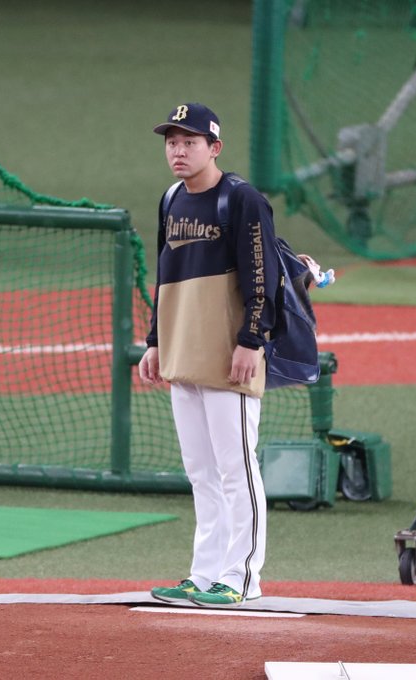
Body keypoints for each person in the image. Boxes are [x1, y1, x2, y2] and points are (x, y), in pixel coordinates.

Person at [138, 102, 279, 607]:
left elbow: (263, 276)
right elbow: (166, 275)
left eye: (190, 142)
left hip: (228, 355)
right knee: (201, 473)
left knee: (236, 469)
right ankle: (204, 576)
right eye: (172, 142)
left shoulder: (241, 200)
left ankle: (242, 578)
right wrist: (156, 341)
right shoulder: (171, 198)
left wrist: (251, 340)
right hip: (184, 354)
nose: (178, 151)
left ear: (214, 147)